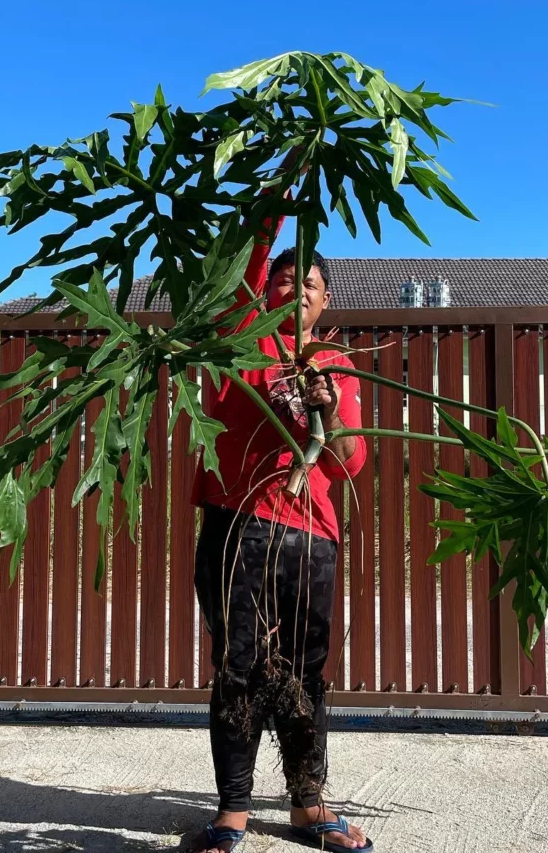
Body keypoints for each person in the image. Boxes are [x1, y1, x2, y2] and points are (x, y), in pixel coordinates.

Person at [189, 200, 373, 852]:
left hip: (313, 534)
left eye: (312, 284)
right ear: (265, 292)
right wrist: (276, 195)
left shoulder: (337, 362)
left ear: (328, 303)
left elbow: (351, 459)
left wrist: (329, 408)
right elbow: (241, 264)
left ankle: (308, 806)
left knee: (304, 675)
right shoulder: (242, 336)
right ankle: (232, 813)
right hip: (240, 524)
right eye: (285, 280)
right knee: (238, 668)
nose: (298, 290)